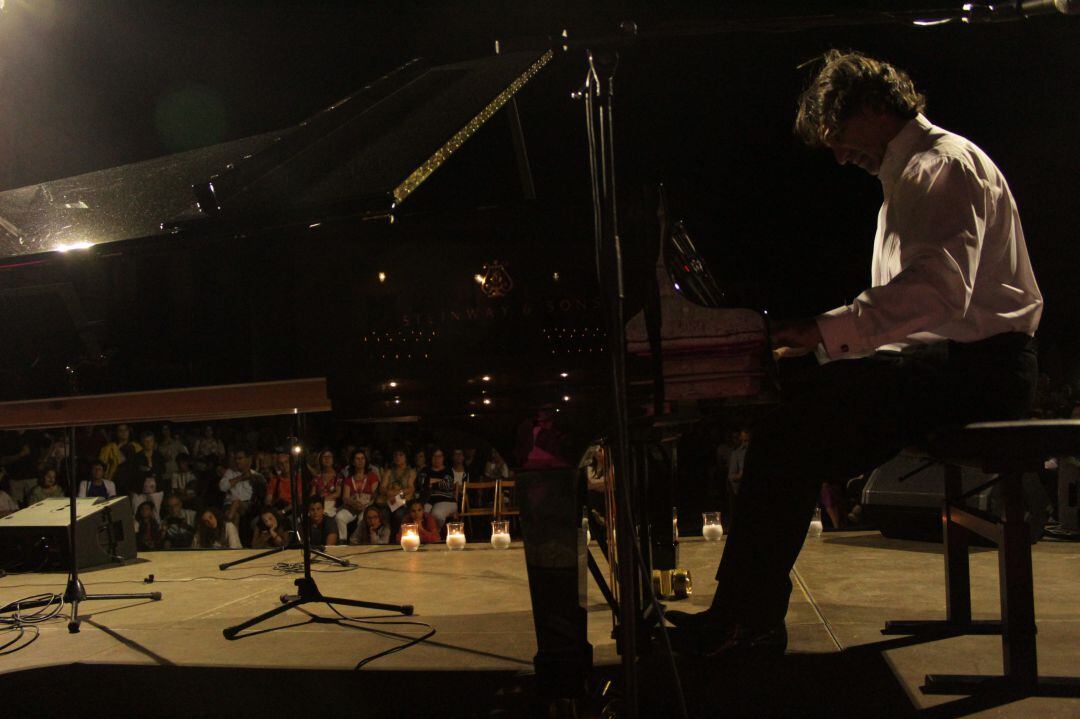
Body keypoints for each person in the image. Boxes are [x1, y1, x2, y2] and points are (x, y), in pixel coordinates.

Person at [666, 50, 1042, 658]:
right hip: (950, 364)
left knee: (790, 431)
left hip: (982, 372)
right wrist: (820, 355)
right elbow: (907, 323)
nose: (840, 155)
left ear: (871, 107)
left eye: (839, 137)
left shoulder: (939, 167)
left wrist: (820, 332)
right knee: (789, 408)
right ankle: (742, 609)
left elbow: (939, 295)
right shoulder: (911, 174)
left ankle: (747, 616)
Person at [335, 449, 380, 540]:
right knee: (339, 517)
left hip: (367, 507)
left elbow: (374, 495)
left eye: (362, 458)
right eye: (357, 459)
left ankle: (357, 541)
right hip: (353, 507)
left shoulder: (372, 476)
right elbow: (345, 498)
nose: (360, 461)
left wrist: (365, 505)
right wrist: (354, 504)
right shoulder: (349, 479)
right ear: (353, 462)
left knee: (362, 519)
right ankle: (342, 541)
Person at [423, 448, 457, 529]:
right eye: (434, 456)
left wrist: (430, 481)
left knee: (436, 514)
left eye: (439, 456)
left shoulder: (448, 470)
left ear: (443, 458)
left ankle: (435, 535)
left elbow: (447, 485)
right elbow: (421, 483)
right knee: (422, 513)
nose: (437, 459)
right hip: (429, 500)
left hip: (446, 500)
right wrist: (439, 480)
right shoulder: (425, 470)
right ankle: (426, 536)